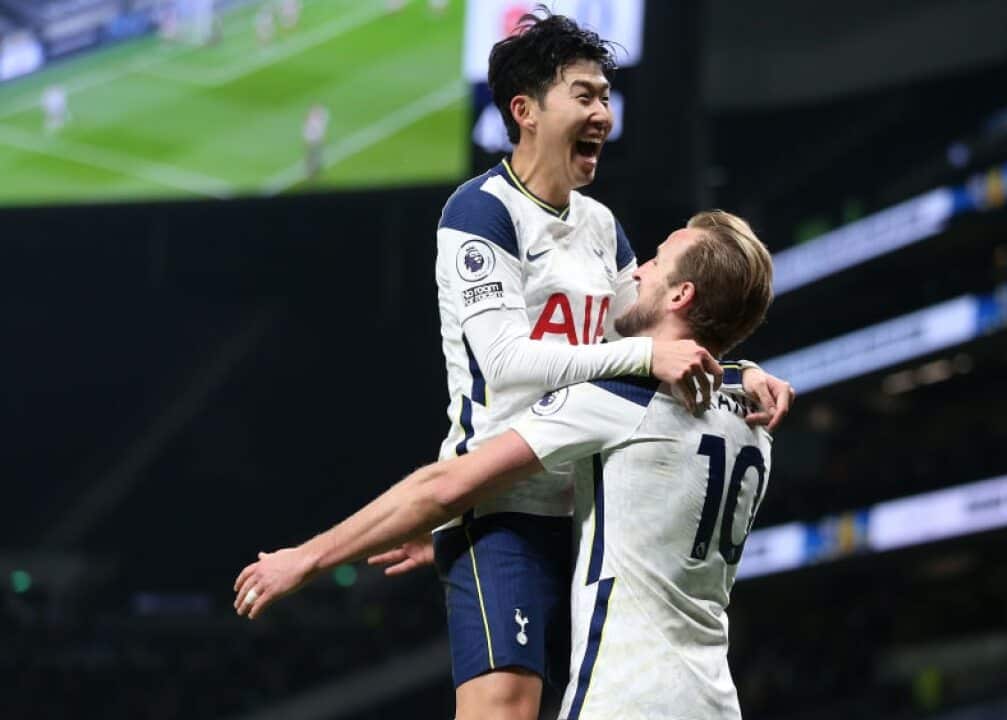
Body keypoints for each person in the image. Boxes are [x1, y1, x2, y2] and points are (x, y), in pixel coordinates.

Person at [392, 8, 791, 719]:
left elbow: (661, 333)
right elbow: (512, 362)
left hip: (581, 502)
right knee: (506, 708)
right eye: (586, 94)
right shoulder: (479, 213)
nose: (605, 111)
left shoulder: (602, 227)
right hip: (501, 498)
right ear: (525, 111)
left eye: (607, 95)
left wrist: (735, 372)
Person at [235, 209, 775, 720]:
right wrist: (746, 368)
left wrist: (306, 558)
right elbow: (633, 495)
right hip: (714, 700)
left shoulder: (624, 397)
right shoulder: (753, 418)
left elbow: (442, 488)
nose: (639, 270)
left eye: (657, 261)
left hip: (626, 700)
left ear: (681, 295)